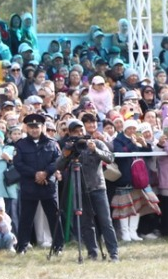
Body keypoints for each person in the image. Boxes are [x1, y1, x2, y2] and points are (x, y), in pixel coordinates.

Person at [56, 117, 118, 261]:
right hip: (79, 190)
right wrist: (65, 155)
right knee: (86, 223)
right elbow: (58, 166)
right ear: (70, 134)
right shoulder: (70, 147)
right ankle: (92, 252)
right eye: (75, 132)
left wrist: (95, 150)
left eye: (80, 130)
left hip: (97, 187)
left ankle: (114, 253)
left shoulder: (96, 143)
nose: (79, 134)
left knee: (105, 222)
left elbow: (110, 158)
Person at [11, 112, 62, 255]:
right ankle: (22, 247)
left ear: (42, 127)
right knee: (26, 218)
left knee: (54, 216)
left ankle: (58, 246)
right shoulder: (21, 144)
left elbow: (57, 160)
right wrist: (35, 174)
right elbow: (18, 163)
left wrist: (45, 173)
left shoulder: (52, 143)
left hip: (48, 184)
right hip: (30, 185)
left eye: (37, 127)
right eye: (31, 127)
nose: (34, 130)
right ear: (27, 128)